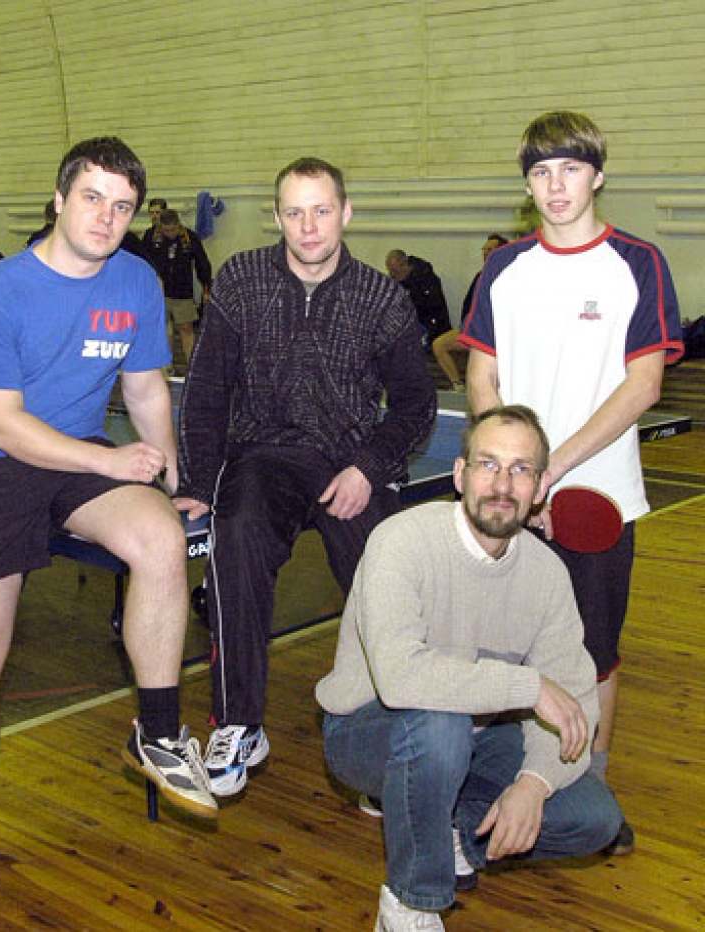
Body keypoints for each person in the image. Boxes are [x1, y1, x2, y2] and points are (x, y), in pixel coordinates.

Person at [0, 135, 216, 892]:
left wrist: (172, 479)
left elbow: (148, 391)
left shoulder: (137, 282)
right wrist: (111, 461)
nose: (107, 217)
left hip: (80, 455)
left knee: (161, 534)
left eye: (122, 206)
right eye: (92, 198)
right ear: (59, 200)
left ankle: (156, 735)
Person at [176, 156, 437, 798]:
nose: (310, 226)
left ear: (345, 213)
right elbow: (207, 392)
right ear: (276, 218)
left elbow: (416, 404)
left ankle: (403, 738)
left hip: (352, 461)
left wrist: (368, 469)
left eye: (322, 210)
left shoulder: (382, 297)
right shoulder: (239, 280)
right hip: (265, 457)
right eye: (295, 212)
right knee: (234, 536)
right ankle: (238, 722)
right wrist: (198, 483)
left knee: (384, 577)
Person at [461, 110, 685, 855]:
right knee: (493, 649)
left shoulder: (638, 263)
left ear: (597, 174)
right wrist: (505, 471)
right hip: (507, 501)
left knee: (593, 655)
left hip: (597, 498)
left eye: (568, 169)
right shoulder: (503, 268)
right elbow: (481, 371)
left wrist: (550, 468)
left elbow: (644, 384)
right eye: (539, 172)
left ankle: (594, 785)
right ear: (528, 184)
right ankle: (482, 778)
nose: (554, 186)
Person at [317, 405, 625, 932]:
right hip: (368, 730)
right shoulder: (400, 541)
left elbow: (575, 701)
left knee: (594, 818)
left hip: (478, 737)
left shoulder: (547, 574)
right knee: (441, 724)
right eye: (488, 464)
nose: (502, 483)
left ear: (540, 486)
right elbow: (400, 679)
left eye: (521, 469)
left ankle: (453, 831)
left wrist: (533, 783)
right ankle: (411, 903)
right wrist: (528, 686)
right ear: (460, 475)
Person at [430, 234, 509, 391]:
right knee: (439, 345)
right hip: (473, 328)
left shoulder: (508, 276)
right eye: (484, 249)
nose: (486, 252)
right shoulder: (480, 275)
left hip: (495, 333)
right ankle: (458, 385)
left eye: (490, 249)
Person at [144, 208, 212, 367]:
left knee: (186, 328)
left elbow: (202, 264)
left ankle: (192, 366)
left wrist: (206, 287)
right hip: (159, 292)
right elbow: (142, 262)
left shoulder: (189, 238)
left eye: (173, 229)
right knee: (163, 329)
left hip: (182, 292)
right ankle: (165, 367)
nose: (170, 233)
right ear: (160, 227)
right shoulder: (151, 237)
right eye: (166, 230)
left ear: (178, 225)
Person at [385, 248, 452, 346]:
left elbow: (431, 309)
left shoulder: (427, 280)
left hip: (431, 329)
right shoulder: (394, 282)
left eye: (394, 270)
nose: (391, 274)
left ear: (405, 264)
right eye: (389, 270)